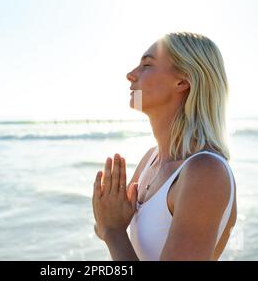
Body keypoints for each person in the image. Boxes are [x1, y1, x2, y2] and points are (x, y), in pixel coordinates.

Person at [92, 32, 237, 261]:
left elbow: (111, 230)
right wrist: (107, 221)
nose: (130, 75)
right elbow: (106, 227)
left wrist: (114, 232)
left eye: (147, 65)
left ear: (183, 81)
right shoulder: (151, 159)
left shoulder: (206, 172)